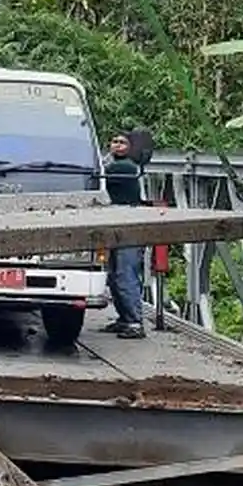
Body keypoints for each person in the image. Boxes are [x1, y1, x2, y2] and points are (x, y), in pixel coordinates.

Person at [102, 131, 146, 339]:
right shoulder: (112, 165)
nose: (117, 145)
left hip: (129, 227)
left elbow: (100, 177)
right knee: (115, 275)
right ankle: (124, 319)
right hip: (116, 225)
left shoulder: (125, 167)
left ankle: (135, 321)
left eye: (122, 142)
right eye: (114, 141)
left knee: (125, 274)